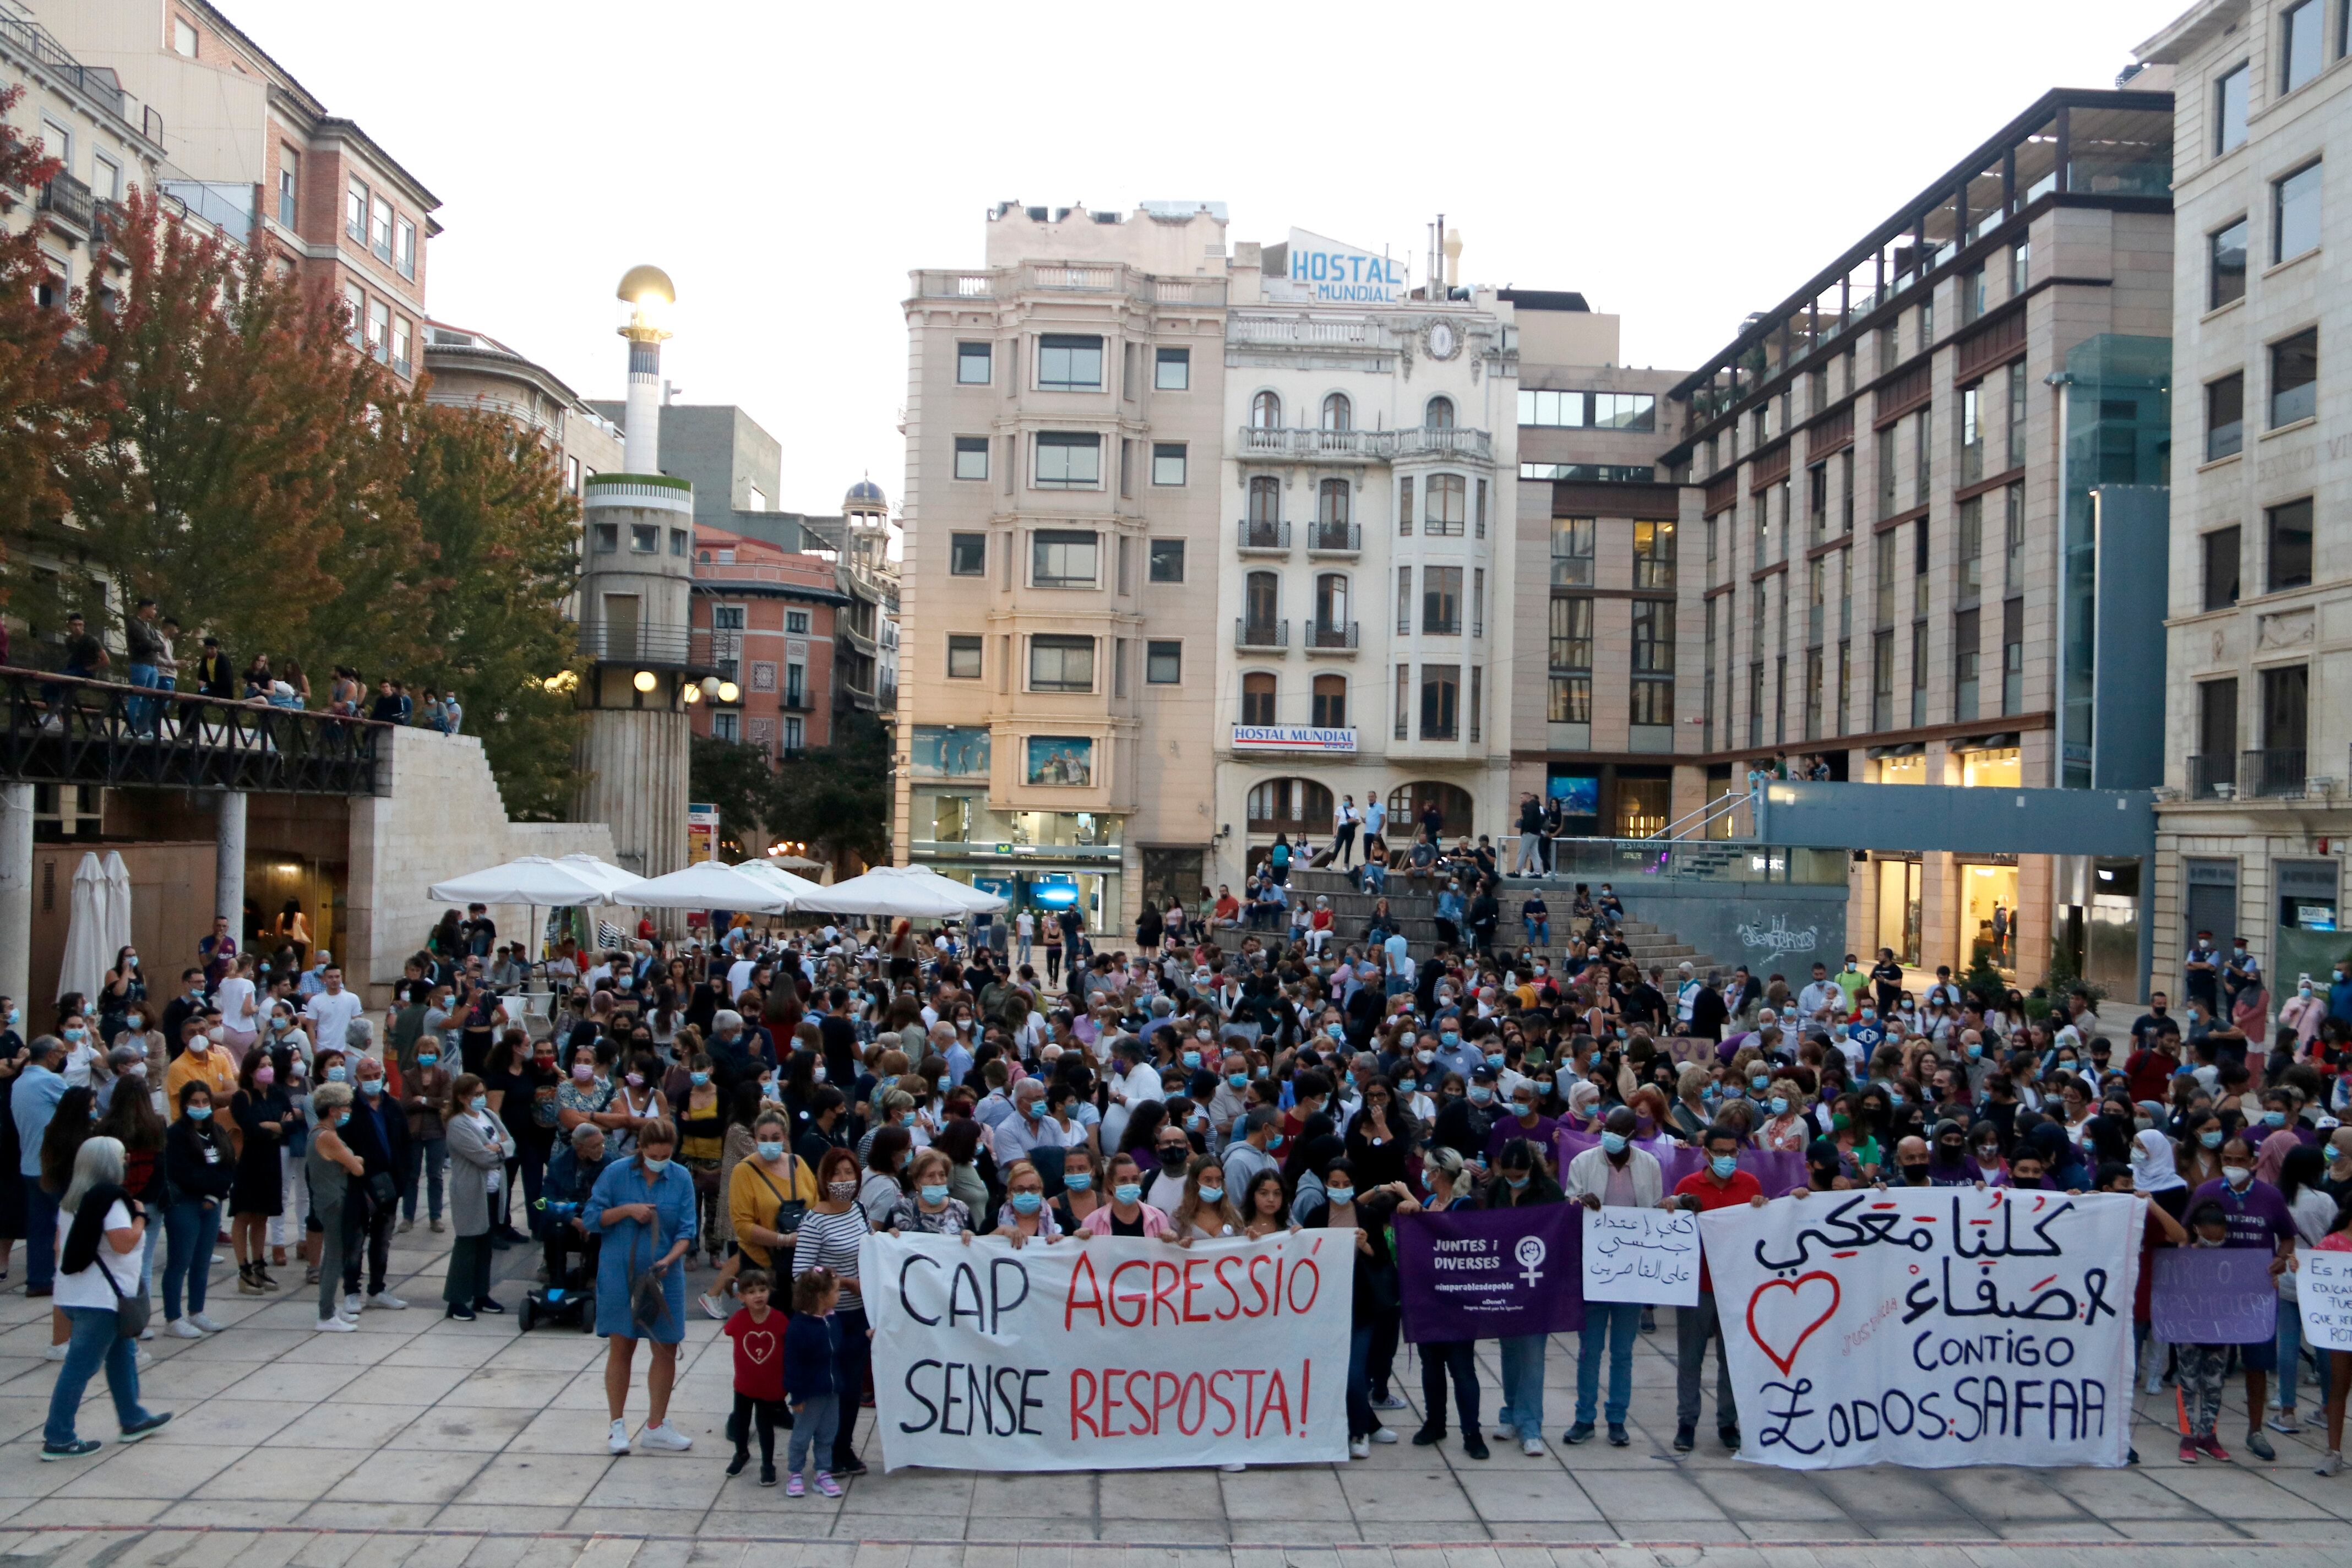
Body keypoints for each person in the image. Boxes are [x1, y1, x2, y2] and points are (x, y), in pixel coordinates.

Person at [41, 1137, 170, 1460]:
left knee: (122, 1355)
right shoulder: (111, 1203)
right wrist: (141, 1217)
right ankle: (58, 1437)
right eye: (121, 1155)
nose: (127, 1159)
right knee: (80, 1368)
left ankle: (133, 1418)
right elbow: (123, 1243)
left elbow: (59, 1248)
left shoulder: (71, 1200)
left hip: (74, 1295)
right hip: (102, 1301)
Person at [592, 1117, 698, 1454]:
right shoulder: (616, 1173)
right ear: (641, 1148)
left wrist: (669, 1259)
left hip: (663, 1277)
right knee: (622, 1347)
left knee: (666, 1347)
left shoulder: (681, 1178)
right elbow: (593, 1218)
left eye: (667, 1155)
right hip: (619, 1274)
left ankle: (656, 1424)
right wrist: (626, 1210)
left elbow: (686, 1231)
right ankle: (616, 1426)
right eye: (655, 1155)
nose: (661, 1161)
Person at [1563, 1107, 1664, 1446]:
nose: (1611, 1136)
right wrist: (1579, 1201)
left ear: (1633, 1136)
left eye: (1620, 1132)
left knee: (1623, 1352)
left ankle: (1617, 1419)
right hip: (1594, 1271)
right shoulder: (1583, 1162)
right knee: (1590, 1350)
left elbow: (1655, 1210)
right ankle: (1584, 1418)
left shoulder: (1649, 1165)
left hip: (1632, 1273)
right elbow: (1568, 1207)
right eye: (1608, 1129)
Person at [1670, 1125, 1768, 1454]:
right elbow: (1667, 1224)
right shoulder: (1688, 1186)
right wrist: (1673, 1204)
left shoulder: (1750, 1185)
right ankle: (1687, 1423)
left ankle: (1728, 1422)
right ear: (1706, 1153)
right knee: (1690, 1358)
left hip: (1736, 1287)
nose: (1727, 1158)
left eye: (1732, 1152)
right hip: (1696, 1286)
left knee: (1733, 1359)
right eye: (1721, 1152)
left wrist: (1762, 1208)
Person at [793, 1147, 874, 1476]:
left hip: (860, 1314)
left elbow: (870, 1249)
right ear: (825, 1179)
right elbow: (801, 1272)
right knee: (832, 1385)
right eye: (836, 1174)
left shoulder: (859, 1209)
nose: (843, 1180)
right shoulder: (814, 1221)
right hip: (830, 1318)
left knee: (853, 1385)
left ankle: (844, 1447)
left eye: (849, 1173)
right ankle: (824, 1448)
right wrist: (840, 1282)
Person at [1489, 1135, 1562, 1456]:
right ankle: (1511, 1413)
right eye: (1509, 1174)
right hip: (1505, 1285)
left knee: (1532, 1356)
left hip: (1538, 1287)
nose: (1514, 1180)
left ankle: (1531, 1426)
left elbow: (1561, 1236)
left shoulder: (1549, 1192)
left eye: (1520, 1176)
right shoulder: (1495, 1190)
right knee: (1509, 1354)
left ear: (1531, 1168)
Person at [160, 1083, 232, 1337]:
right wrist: (209, 1187)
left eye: (205, 1101)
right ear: (185, 1105)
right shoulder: (176, 1135)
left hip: (212, 1204)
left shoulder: (218, 1131)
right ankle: (173, 1318)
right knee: (180, 1262)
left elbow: (228, 1166)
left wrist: (216, 1193)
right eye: (195, 1102)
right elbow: (182, 1172)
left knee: (202, 1262)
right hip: (185, 1205)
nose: (200, 1107)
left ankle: (197, 1312)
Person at [443, 1074, 515, 1320]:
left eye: (483, 1093)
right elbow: (481, 1158)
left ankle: (481, 1295)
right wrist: (498, 1150)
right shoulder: (458, 1124)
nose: (481, 1098)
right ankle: (456, 1300)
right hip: (471, 1192)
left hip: (494, 1189)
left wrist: (499, 1149)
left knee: (486, 1245)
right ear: (462, 1098)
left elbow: (511, 1144)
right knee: (467, 1244)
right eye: (476, 1094)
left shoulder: (489, 1116)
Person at [227, 1048, 290, 1294]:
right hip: (249, 1163)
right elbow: (251, 1129)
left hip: (271, 1161)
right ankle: (243, 1270)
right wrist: (278, 1127)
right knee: (244, 1215)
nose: (268, 1069)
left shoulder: (276, 1093)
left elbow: (293, 1124)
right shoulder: (242, 1097)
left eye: (270, 1064)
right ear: (252, 1071)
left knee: (262, 1216)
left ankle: (259, 1264)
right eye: (263, 1065)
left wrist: (275, 1127)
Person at [721, 1267, 791, 1487]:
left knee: (765, 1427)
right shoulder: (739, 1320)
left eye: (762, 1290)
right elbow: (729, 1330)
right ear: (741, 1297)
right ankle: (741, 1453)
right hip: (744, 1385)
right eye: (751, 1292)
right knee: (742, 1424)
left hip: (770, 1387)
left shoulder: (779, 1320)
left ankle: (768, 1464)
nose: (758, 1295)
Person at [783, 1266, 848, 1498]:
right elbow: (792, 1364)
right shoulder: (799, 1327)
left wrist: (865, 1338)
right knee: (802, 1435)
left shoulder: (833, 1320)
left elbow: (840, 1349)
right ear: (822, 1296)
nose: (839, 1295)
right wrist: (796, 1396)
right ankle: (795, 1473)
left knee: (827, 1434)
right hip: (809, 1393)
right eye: (837, 1291)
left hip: (831, 1391)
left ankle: (823, 1471)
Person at [13, 1037, 67, 1297]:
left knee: (39, 1226)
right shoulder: (50, 1081)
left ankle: (39, 1278)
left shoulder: (20, 1082)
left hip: (29, 1164)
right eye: (62, 1052)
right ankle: (64, 1275)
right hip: (53, 1165)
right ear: (51, 1055)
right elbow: (80, 1109)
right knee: (65, 1221)